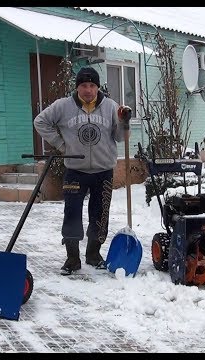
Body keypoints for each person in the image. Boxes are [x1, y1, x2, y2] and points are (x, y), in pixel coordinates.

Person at [34, 66, 132, 275]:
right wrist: (62, 146)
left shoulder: (111, 107)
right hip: (75, 170)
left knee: (100, 214)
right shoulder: (63, 106)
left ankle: (93, 254)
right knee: (72, 214)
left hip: (103, 171)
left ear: (97, 87)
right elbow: (40, 122)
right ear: (77, 87)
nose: (88, 90)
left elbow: (120, 137)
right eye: (84, 85)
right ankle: (72, 259)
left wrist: (124, 122)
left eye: (92, 85)